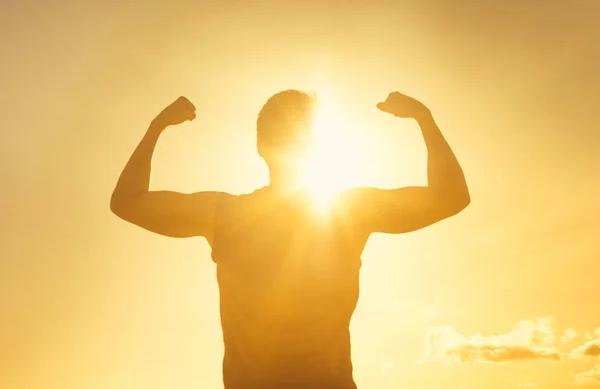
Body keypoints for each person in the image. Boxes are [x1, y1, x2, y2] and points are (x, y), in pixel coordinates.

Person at [110, 89, 470, 389]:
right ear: (319, 145)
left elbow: (127, 203)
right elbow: (450, 197)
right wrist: (423, 118)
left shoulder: (225, 215)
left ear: (260, 146)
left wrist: (157, 127)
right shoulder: (349, 212)